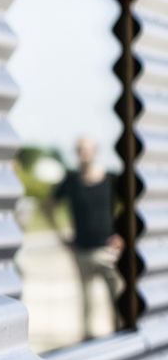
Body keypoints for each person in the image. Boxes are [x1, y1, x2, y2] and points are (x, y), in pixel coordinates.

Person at [45, 137, 123, 340]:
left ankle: (121, 338)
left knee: (119, 300)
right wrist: (62, 235)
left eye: (87, 150)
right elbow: (49, 206)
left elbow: (128, 206)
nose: (84, 153)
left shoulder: (110, 179)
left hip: (108, 251)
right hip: (81, 251)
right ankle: (88, 342)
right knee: (87, 304)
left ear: (95, 152)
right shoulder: (70, 180)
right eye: (80, 150)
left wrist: (122, 235)